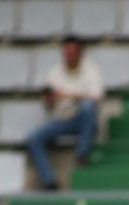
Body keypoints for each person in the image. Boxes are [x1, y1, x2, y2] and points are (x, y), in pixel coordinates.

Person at [27, 35, 104, 190]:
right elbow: (48, 105)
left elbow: (97, 98)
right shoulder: (54, 72)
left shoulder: (91, 70)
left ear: (80, 53)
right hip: (60, 120)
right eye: (66, 53)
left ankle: (82, 153)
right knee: (34, 138)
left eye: (72, 52)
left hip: (82, 121)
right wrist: (50, 100)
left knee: (88, 107)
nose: (69, 56)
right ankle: (49, 181)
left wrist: (68, 95)